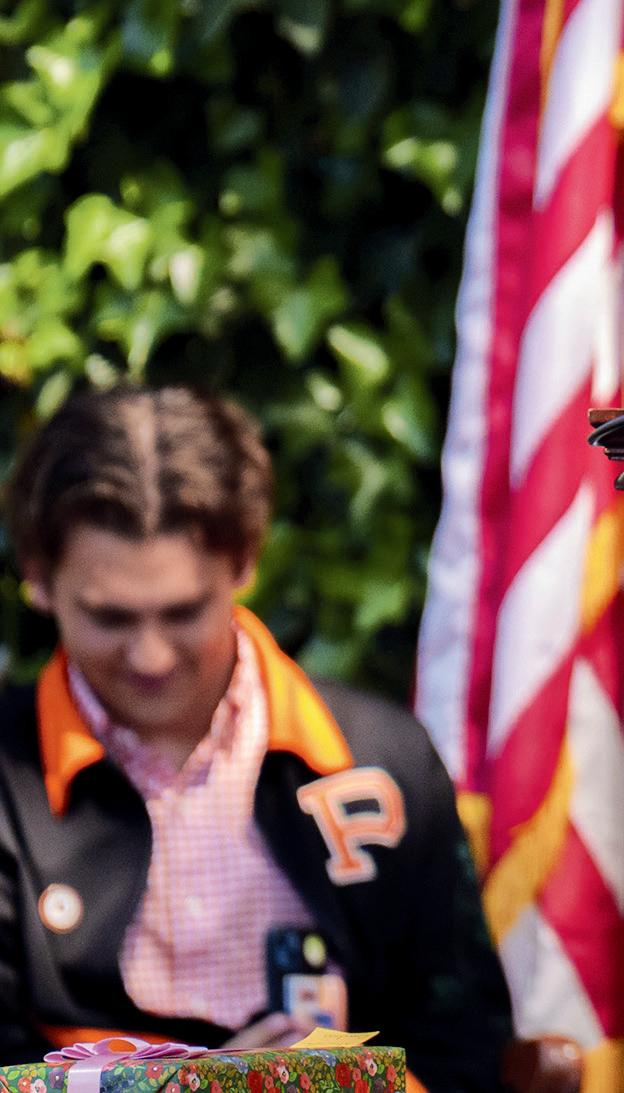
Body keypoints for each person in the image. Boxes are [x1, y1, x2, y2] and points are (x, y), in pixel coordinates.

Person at [0, 386, 510, 1091]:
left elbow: (464, 1044)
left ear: (245, 562)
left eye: (184, 612)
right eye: (110, 617)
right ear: (37, 578)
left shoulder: (380, 759)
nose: (150, 656)